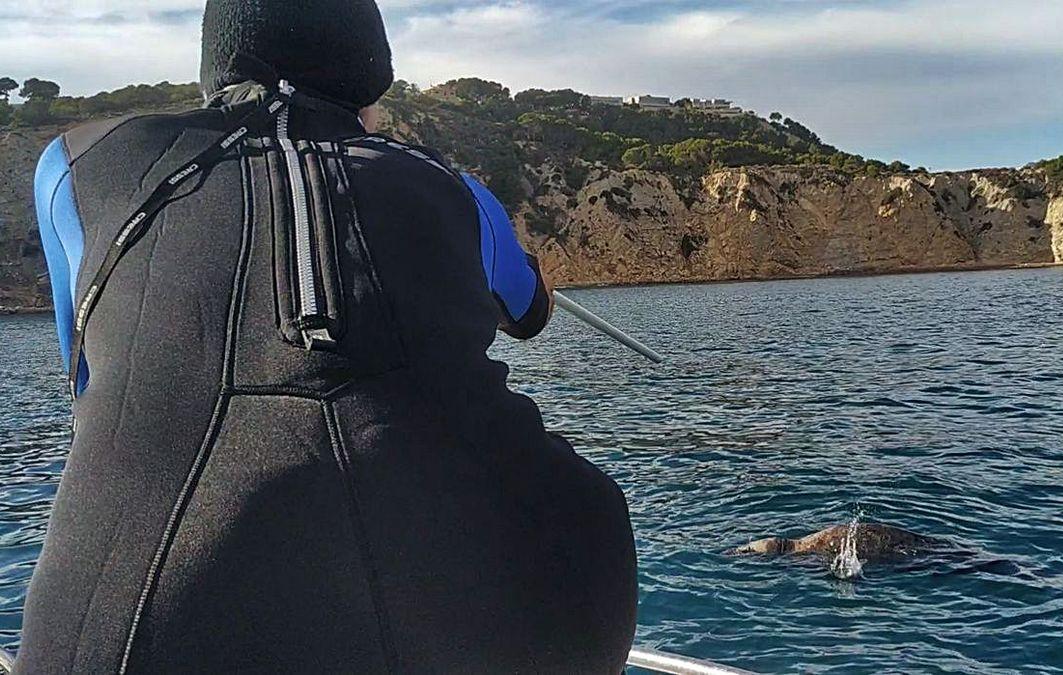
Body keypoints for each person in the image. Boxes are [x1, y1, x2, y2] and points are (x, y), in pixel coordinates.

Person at [18, 0, 638, 672]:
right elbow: (529, 311)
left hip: (143, 610)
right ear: (371, 85)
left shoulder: (73, 166)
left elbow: (86, 385)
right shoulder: (456, 191)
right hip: (542, 585)